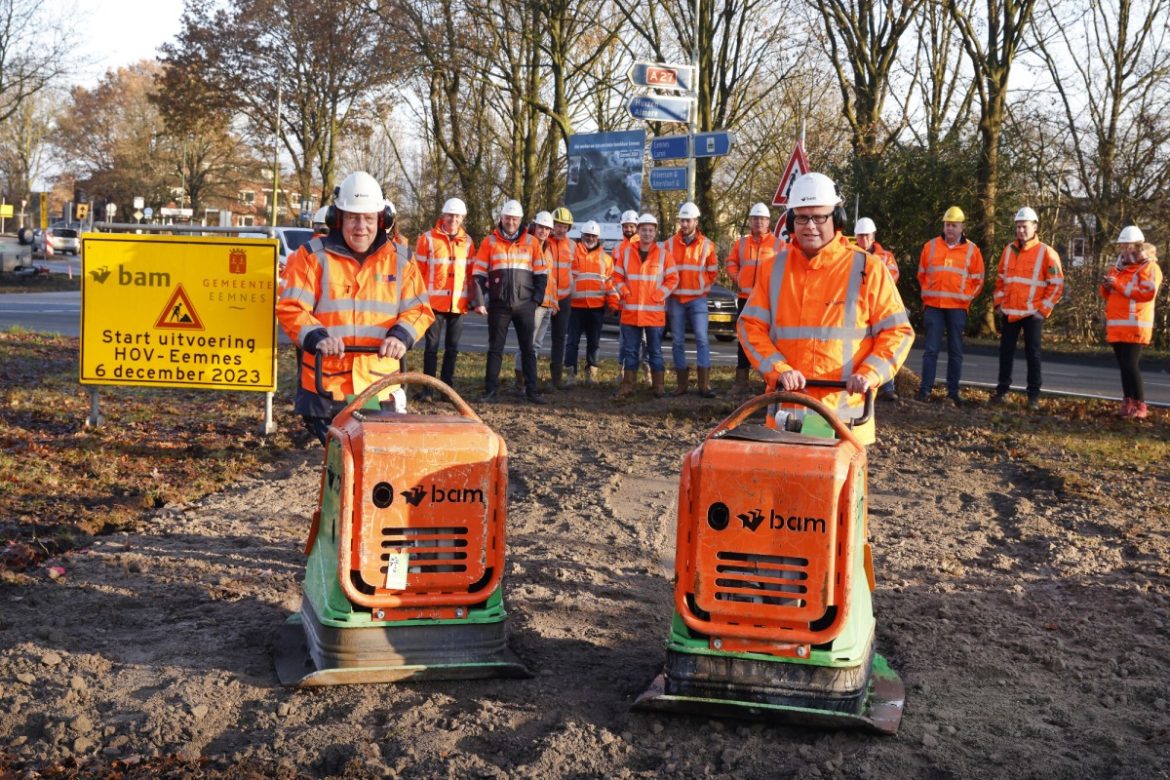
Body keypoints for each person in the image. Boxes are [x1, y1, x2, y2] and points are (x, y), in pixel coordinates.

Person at [737, 172, 914, 446]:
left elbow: (898, 332)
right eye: (802, 218)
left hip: (847, 421)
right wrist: (779, 369)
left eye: (819, 217)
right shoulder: (774, 269)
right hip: (787, 416)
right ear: (792, 221)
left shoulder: (868, 269)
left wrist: (870, 374)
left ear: (837, 219)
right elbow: (750, 327)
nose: (810, 226)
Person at [276, 171, 433, 444]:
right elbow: (291, 307)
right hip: (325, 386)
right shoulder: (311, 257)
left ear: (381, 220)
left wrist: (401, 335)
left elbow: (419, 309)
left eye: (369, 218)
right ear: (338, 219)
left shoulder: (402, 261)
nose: (361, 226)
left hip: (379, 386)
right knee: (338, 462)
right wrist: (317, 337)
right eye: (352, 217)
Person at [472, 199, 548, 404]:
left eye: (514, 218)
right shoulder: (489, 242)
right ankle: (490, 391)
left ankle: (532, 391)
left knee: (528, 349)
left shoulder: (531, 242)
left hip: (525, 304)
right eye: (507, 218)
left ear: (521, 220)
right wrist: (479, 301)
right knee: (495, 349)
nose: (511, 222)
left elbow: (541, 274)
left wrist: (536, 300)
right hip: (499, 304)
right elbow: (478, 274)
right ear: (501, 218)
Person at [990, 206, 1064, 410]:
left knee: (1033, 354)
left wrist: (1043, 311)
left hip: (1032, 313)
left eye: (1024, 226)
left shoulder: (1046, 253)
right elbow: (1000, 280)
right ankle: (1002, 391)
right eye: (1018, 227)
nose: (1021, 230)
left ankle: (1033, 395)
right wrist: (998, 304)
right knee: (1006, 352)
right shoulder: (1008, 250)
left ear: (1035, 227)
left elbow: (1057, 284)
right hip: (1010, 311)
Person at [915, 206, 985, 406]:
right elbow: (922, 274)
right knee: (931, 350)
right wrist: (928, 292)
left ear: (962, 227)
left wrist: (965, 298)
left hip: (957, 308)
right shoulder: (930, 246)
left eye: (954, 225)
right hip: (934, 306)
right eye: (947, 225)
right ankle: (925, 390)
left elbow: (978, 279)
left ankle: (953, 392)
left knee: (955, 351)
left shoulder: (972, 250)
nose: (950, 229)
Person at [1100, 227, 1162, 420]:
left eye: (1127, 245)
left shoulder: (1149, 268)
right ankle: (1128, 402)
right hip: (1117, 326)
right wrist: (1107, 285)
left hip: (1135, 325)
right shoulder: (1118, 267)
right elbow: (1106, 295)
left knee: (1130, 365)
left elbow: (1147, 292)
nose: (1123, 250)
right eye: (1122, 245)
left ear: (1137, 246)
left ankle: (1140, 404)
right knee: (1124, 366)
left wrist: (1117, 284)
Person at [414, 197, 474, 399]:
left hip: (458, 304)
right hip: (433, 304)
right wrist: (419, 299)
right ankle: (427, 390)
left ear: (462, 218)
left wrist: (474, 300)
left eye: (457, 216)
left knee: (453, 349)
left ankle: (447, 390)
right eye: (450, 215)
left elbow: (471, 273)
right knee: (431, 348)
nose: (453, 219)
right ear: (443, 216)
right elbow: (418, 272)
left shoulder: (468, 243)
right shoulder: (427, 239)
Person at [612, 213, 677, 398]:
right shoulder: (626, 253)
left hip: (654, 314)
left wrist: (659, 294)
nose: (647, 233)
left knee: (655, 351)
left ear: (655, 232)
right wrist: (624, 291)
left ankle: (658, 388)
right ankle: (628, 387)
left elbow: (673, 279)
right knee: (630, 351)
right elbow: (616, 276)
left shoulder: (664, 255)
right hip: (631, 312)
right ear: (638, 231)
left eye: (650, 230)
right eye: (644, 230)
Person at [725, 202, 783, 394]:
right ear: (751, 221)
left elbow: (785, 269)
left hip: (768, 300)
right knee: (743, 339)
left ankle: (770, 379)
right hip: (745, 298)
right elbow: (731, 263)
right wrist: (738, 277)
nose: (759, 222)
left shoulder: (778, 244)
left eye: (763, 219)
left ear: (769, 222)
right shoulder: (741, 243)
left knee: (770, 339)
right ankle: (741, 381)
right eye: (756, 218)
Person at [665, 201, 719, 397]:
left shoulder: (707, 245)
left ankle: (704, 385)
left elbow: (713, 272)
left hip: (697, 299)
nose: (684, 224)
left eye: (688, 220)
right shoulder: (669, 244)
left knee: (702, 339)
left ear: (696, 221)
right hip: (676, 299)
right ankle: (682, 385)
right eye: (682, 220)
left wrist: (702, 287)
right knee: (677, 341)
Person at [853, 216, 904, 401]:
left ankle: (888, 387)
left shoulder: (885, 257)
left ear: (873, 236)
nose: (863, 240)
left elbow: (893, 276)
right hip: (858, 308)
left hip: (880, 307)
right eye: (860, 236)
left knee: (885, 343)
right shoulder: (849, 255)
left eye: (866, 236)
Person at [564, 221, 617, 383]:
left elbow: (611, 284)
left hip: (597, 307)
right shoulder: (572, 255)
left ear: (598, 237)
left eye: (593, 236)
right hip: (575, 307)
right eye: (587, 235)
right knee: (572, 342)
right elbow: (565, 279)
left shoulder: (606, 259)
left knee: (594, 343)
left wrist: (613, 302)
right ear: (581, 235)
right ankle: (571, 374)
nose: (590, 238)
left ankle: (591, 372)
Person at [514, 211, 555, 395]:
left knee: (536, 345)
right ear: (534, 226)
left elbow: (551, 279)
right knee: (527, 344)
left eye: (547, 228)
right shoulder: (527, 245)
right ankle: (521, 382)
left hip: (546, 304)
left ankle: (529, 379)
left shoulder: (548, 249)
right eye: (541, 227)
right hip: (532, 303)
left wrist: (553, 303)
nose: (544, 231)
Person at [617, 208, 651, 384]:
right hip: (626, 303)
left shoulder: (644, 246)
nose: (628, 229)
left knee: (645, 341)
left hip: (645, 304)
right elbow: (615, 275)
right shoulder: (619, 248)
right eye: (626, 226)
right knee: (625, 341)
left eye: (631, 226)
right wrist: (619, 295)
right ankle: (623, 372)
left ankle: (646, 371)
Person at [544, 207, 576, 388]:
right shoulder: (543, 242)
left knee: (559, 338)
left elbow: (576, 270)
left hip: (564, 298)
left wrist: (571, 287)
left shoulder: (572, 246)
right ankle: (526, 378)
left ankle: (556, 379)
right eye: (558, 225)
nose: (561, 229)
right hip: (545, 298)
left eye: (565, 226)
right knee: (534, 339)